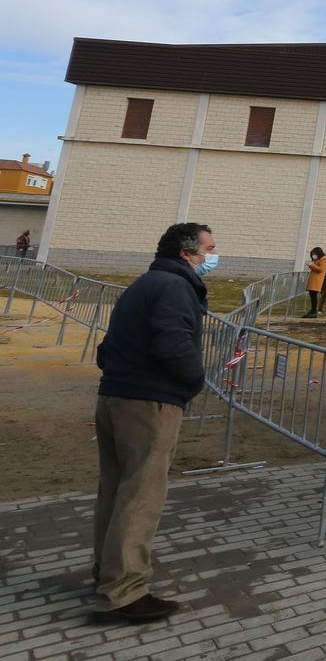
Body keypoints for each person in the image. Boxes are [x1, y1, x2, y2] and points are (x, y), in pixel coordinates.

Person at [91, 222, 216, 623]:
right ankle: (126, 591)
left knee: (115, 491)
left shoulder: (144, 284)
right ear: (187, 253)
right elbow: (173, 344)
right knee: (141, 496)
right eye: (208, 249)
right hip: (149, 403)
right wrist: (194, 380)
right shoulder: (175, 288)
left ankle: (107, 572)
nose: (212, 256)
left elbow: (107, 346)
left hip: (115, 395)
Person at [302, 247, 326, 318]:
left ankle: (314, 311)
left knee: (314, 296)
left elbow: (321, 269)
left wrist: (311, 265)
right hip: (313, 280)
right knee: (312, 296)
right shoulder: (317, 259)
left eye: (314, 254)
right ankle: (312, 310)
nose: (313, 255)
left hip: (317, 281)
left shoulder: (324, 259)